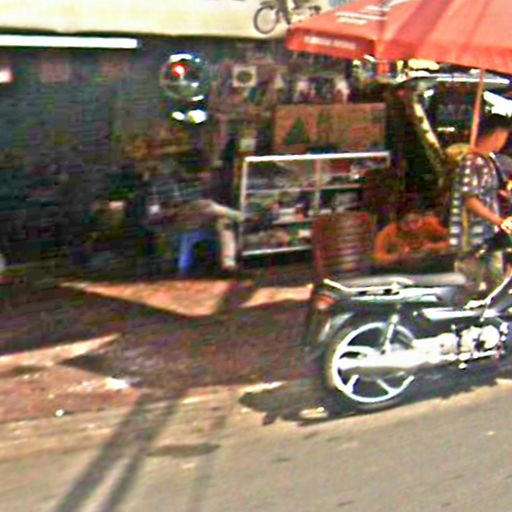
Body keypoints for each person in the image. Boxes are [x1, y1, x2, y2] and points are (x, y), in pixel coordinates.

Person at [449, 114, 512, 294]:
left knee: (496, 283)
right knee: (469, 285)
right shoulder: (471, 161)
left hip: (489, 234)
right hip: (472, 235)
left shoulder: (490, 161)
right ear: (498, 134)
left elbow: (490, 193)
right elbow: (470, 200)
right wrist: (498, 221)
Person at [374, 199, 450, 273]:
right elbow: (377, 257)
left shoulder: (430, 224)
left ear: (422, 218)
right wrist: (398, 257)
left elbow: (452, 242)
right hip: (401, 271)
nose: (412, 227)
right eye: (406, 223)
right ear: (398, 222)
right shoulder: (388, 232)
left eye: (416, 222)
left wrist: (433, 247)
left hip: (431, 267)